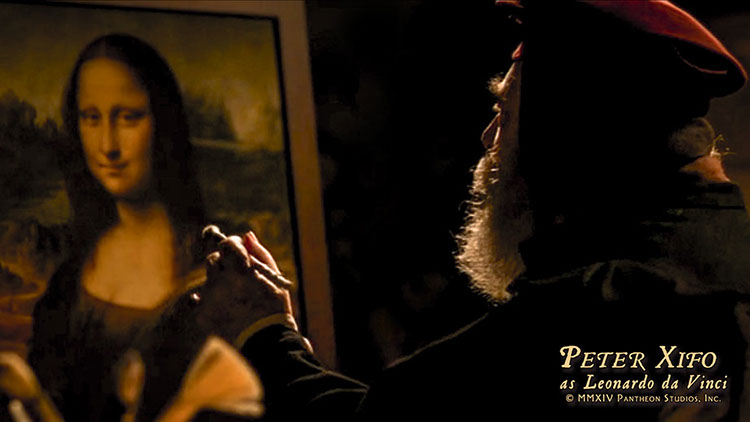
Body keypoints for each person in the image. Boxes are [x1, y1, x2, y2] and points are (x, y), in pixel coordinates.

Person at [209, 1, 750, 421]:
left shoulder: (592, 310)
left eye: (505, 112)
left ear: (565, 132)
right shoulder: (722, 257)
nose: (489, 137)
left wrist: (264, 332)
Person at [26, 34, 210, 421]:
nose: (107, 145)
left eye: (128, 117)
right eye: (91, 118)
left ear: (164, 122)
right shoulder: (70, 275)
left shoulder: (208, 267)